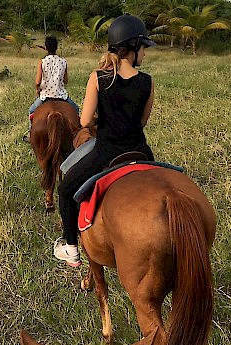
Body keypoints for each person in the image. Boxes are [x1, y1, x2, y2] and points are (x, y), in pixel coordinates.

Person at [53, 15, 156, 266]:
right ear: (132, 48)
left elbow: (85, 122)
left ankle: (71, 248)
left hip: (106, 152)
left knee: (65, 190)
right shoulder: (147, 82)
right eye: (143, 47)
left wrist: (102, 118)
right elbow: (142, 122)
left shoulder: (98, 77)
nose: (144, 53)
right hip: (140, 152)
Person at [24, 36, 79, 142]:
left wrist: (37, 90)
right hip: (61, 95)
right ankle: (79, 133)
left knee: (31, 110)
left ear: (46, 47)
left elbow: (37, 82)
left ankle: (31, 134)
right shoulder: (63, 62)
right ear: (56, 47)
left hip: (45, 96)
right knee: (76, 109)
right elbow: (66, 80)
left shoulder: (42, 62)